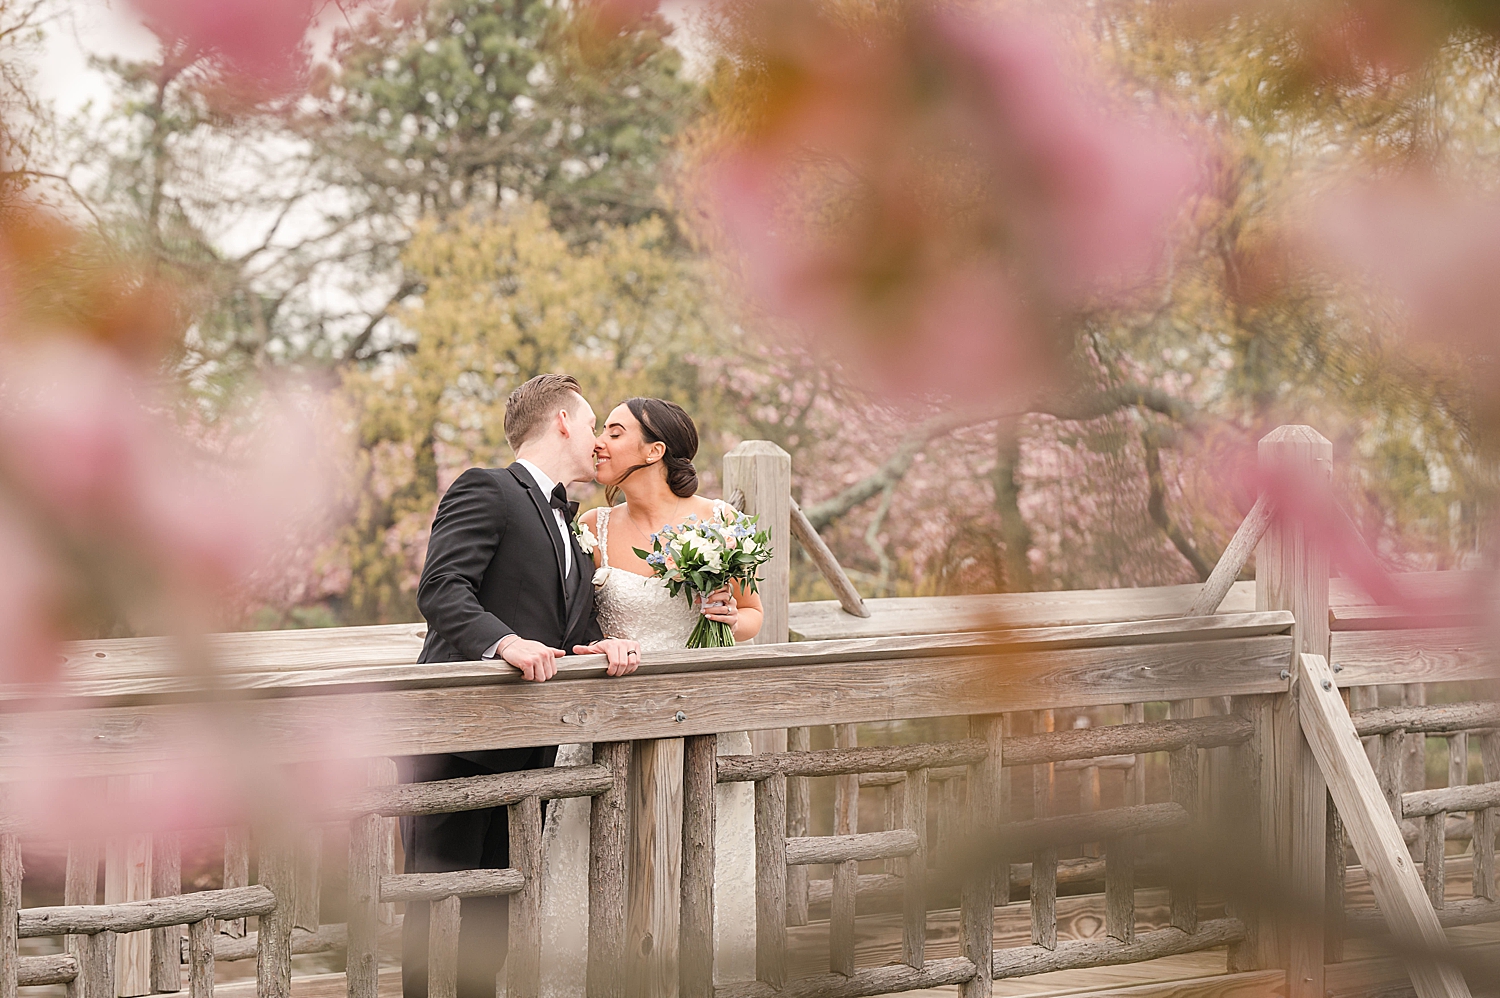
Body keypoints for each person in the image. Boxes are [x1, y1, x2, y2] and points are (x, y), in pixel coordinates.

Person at [404, 373, 642, 998]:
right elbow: (441, 589)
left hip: (528, 746)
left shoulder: (572, 523)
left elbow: (566, 625)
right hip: (456, 737)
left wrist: (601, 643)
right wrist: (505, 643)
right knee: (438, 904)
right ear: (563, 421)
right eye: (592, 425)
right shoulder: (487, 488)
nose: (596, 441)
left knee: (496, 912)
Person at [537, 397, 763, 994]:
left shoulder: (719, 522)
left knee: (696, 863)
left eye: (614, 432)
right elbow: (573, 621)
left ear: (655, 450)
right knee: (605, 865)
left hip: (699, 724)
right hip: (609, 726)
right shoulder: (590, 527)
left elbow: (752, 617)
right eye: (600, 432)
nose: (599, 443)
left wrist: (724, 615)